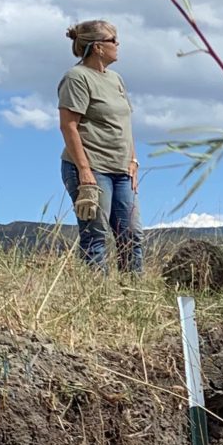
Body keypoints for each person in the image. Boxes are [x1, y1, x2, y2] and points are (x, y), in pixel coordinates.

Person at [57, 18, 144, 275]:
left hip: (122, 170)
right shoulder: (76, 78)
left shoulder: (116, 79)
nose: (118, 45)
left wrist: (133, 161)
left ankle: (133, 294)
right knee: (96, 234)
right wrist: (85, 172)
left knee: (131, 234)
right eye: (113, 40)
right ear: (97, 47)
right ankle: (97, 297)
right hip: (92, 168)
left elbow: (125, 123)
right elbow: (68, 126)